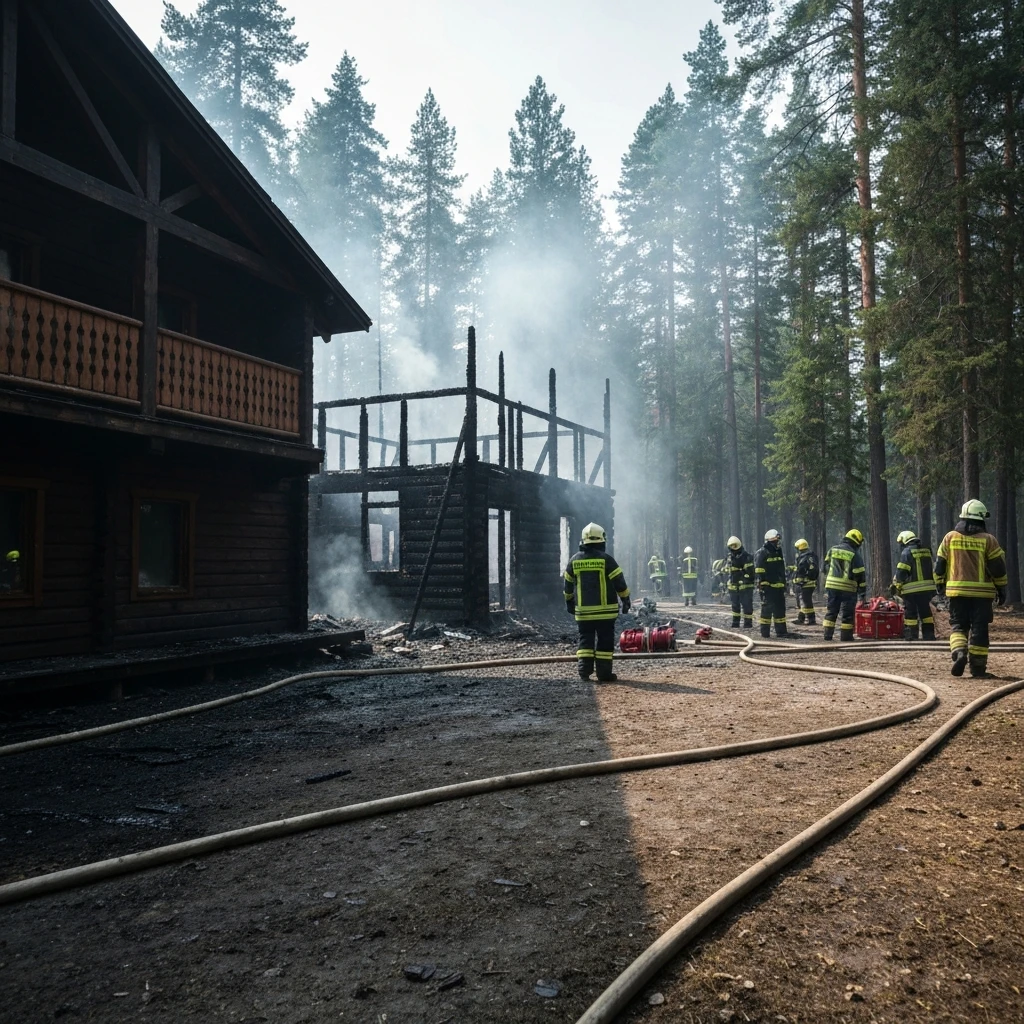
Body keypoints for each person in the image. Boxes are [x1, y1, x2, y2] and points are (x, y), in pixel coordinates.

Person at [934, 500, 1007, 678]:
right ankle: (978, 669)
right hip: (982, 596)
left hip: (956, 593)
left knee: (958, 626)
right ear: (981, 519)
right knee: (979, 629)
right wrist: (1002, 588)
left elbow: (939, 566)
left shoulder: (949, 537)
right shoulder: (989, 540)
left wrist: (939, 584)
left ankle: (959, 652)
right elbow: (998, 569)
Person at [564, 522, 631, 682]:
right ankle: (604, 673)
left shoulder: (574, 561)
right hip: (605, 612)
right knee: (605, 641)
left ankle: (584, 671)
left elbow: (567, 585)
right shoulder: (606, 560)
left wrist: (569, 602)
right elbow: (619, 582)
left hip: (584, 613)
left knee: (585, 639)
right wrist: (625, 599)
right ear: (602, 540)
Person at [890, 529, 936, 641]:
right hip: (927, 588)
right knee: (926, 612)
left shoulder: (907, 552)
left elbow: (902, 571)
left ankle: (911, 635)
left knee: (911, 613)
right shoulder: (927, 550)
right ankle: (929, 635)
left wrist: (896, 585)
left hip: (911, 589)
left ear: (905, 541)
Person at [822, 529, 867, 641]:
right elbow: (859, 574)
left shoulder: (832, 550)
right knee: (847, 614)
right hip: (848, 588)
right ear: (856, 541)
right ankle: (846, 637)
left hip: (832, 586)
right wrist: (862, 593)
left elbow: (824, 567)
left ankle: (827, 636)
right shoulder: (854, 554)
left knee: (831, 611)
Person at [754, 529, 788, 638]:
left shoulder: (779, 551)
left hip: (779, 587)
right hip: (768, 588)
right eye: (775, 541)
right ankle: (765, 633)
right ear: (770, 541)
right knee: (766, 611)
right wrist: (763, 584)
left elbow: (781, 569)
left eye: (778, 541)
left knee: (780, 610)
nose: (777, 543)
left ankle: (781, 632)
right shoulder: (762, 552)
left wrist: (784, 583)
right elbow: (759, 570)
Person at [725, 536, 755, 628]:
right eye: (731, 546)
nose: (733, 549)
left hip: (745, 587)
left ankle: (748, 623)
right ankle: (735, 623)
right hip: (733, 586)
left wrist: (744, 579)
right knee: (735, 606)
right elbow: (727, 570)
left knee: (747, 605)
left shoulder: (747, 556)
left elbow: (750, 572)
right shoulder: (729, 557)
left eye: (734, 546)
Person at [791, 539, 819, 625]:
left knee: (807, 602)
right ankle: (801, 618)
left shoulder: (808, 557)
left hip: (807, 583)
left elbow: (812, 569)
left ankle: (811, 620)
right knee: (804, 601)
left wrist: (807, 578)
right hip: (802, 584)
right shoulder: (802, 557)